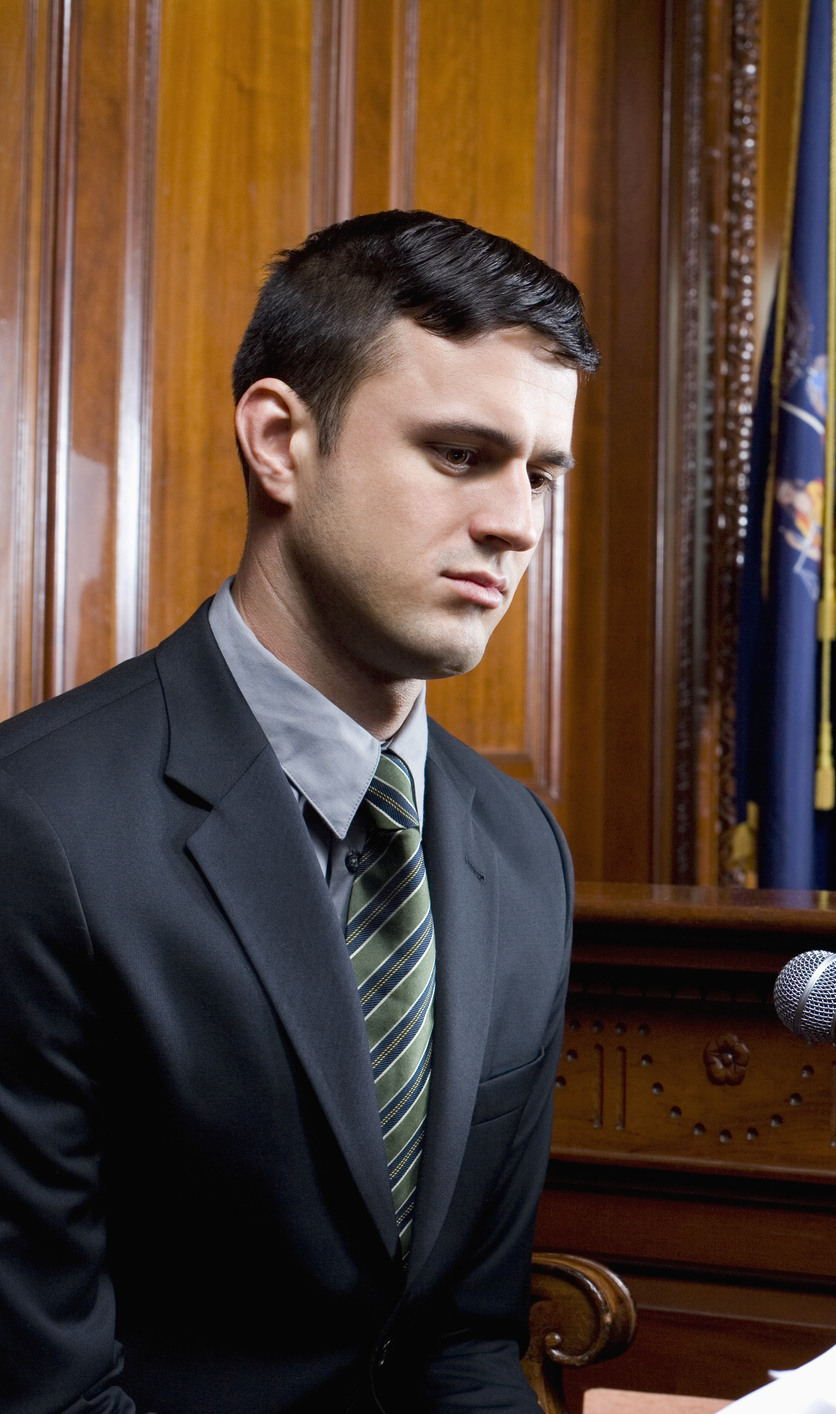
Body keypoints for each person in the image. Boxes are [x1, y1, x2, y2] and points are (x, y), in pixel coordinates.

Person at [0, 211, 595, 1412]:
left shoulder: (521, 849)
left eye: (540, 473)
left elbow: (467, 1341)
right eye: (461, 454)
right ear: (281, 439)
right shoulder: (34, 827)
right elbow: (44, 1393)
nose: (519, 522)